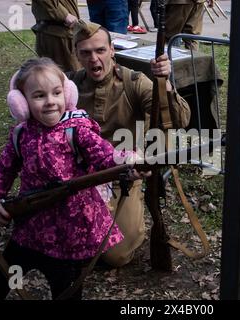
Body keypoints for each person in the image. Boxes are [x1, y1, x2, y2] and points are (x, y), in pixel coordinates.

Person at [0, 57, 147, 300]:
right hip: (30, 227)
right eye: (39, 96)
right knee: (8, 276)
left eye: (56, 93)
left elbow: (106, 156)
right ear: (21, 103)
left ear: (67, 94)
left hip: (71, 234)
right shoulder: (20, 133)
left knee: (65, 289)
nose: (50, 102)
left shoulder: (76, 130)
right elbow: (4, 169)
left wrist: (129, 162)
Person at [68, 21, 191, 267]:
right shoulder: (69, 87)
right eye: (86, 52)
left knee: (116, 256)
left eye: (100, 50)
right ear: (77, 55)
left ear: (112, 50)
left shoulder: (134, 82)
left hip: (121, 174)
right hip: (79, 178)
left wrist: (164, 82)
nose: (94, 59)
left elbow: (181, 119)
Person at [30, 0, 81, 72]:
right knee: (59, 75)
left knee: (73, 74)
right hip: (55, 33)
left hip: (65, 32)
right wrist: (64, 14)